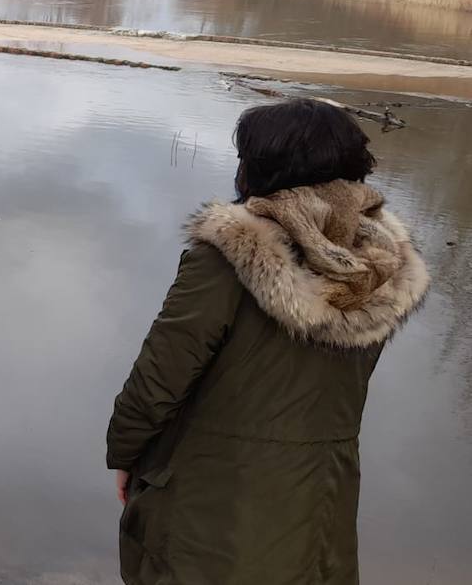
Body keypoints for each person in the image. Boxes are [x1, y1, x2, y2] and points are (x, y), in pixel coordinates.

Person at [106, 99, 430, 584]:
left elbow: (159, 377)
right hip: (322, 500)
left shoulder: (229, 259)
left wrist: (126, 453)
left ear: (262, 168)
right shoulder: (379, 269)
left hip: (213, 501)